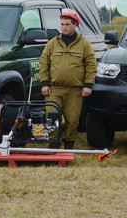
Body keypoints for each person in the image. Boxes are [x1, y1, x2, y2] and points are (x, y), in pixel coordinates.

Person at [39, 8, 96, 149]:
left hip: (75, 90)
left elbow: (91, 65)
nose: (64, 27)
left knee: (72, 120)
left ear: (75, 24)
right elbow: (44, 63)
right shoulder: (52, 43)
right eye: (62, 24)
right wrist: (45, 83)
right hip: (54, 89)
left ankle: (69, 145)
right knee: (52, 116)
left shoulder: (84, 44)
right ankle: (52, 145)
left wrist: (88, 85)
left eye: (67, 24)